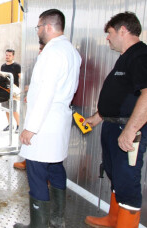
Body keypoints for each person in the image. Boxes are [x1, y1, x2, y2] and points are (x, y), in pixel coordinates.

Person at [14, 9, 81, 228]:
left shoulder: (51, 52)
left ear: (48, 27)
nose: (38, 31)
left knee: (36, 173)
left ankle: (38, 225)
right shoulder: (71, 50)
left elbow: (47, 93)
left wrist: (30, 128)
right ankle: (57, 219)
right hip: (58, 121)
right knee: (55, 168)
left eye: (39, 27)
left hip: (43, 125)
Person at [84, 12, 146, 228]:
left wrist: (130, 131)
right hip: (112, 125)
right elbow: (122, 97)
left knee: (127, 179)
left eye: (109, 33)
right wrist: (97, 118)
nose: (107, 38)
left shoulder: (140, 55)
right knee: (115, 175)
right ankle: (114, 219)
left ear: (122, 30)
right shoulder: (125, 57)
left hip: (128, 128)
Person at [14, 42, 45, 170]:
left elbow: (46, 88)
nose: (39, 51)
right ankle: (28, 161)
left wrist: (30, 90)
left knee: (39, 137)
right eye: (39, 49)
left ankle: (44, 171)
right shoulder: (38, 61)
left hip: (43, 108)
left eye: (41, 49)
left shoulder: (50, 62)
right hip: (32, 101)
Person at [1, 49, 21, 133]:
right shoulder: (3, 66)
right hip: (5, 90)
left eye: (9, 55)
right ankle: (10, 124)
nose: (7, 57)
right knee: (6, 109)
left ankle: (19, 125)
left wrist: (22, 90)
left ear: (13, 56)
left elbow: (20, 77)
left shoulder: (17, 66)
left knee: (14, 109)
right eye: (6, 55)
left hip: (14, 91)